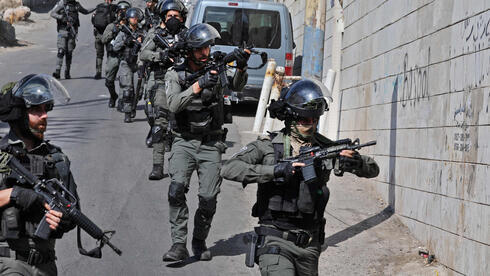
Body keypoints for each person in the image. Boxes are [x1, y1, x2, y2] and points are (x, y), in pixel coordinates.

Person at [220, 79, 380, 276]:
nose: (310, 125)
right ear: (292, 118)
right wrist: (276, 170)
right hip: (275, 238)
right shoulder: (268, 145)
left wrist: (356, 163)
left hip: (310, 244)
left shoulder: (326, 148)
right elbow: (229, 168)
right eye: (305, 120)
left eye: (314, 120)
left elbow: (373, 169)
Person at [162, 23, 250, 262]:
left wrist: (241, 66)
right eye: (201, 49)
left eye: (208, 48)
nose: (205, 53)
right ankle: (178, 244)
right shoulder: (175, 74)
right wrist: (198, 85)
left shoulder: (216, 68)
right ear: (190, 51)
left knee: (208, 198)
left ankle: (199, 240)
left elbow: (238, 85)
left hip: (211, 143)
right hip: (183, 140)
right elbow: (173, 104)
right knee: (176, 189)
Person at [0, 74, 78, 275]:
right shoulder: (1, 157)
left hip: (46, 264)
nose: (44, 116)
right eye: (36, 110)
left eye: (46, 109)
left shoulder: (56, 159)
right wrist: (15, 194)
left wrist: (62, 221)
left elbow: (72, 207)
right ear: (18, 114)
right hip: (9, 263)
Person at [139, 0, 187, 180]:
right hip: (161, 82)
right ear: (164, 18)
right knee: (159, 124)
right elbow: (143, 54)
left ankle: (177, 166)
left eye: (176, 16)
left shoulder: (187, 35)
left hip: (183, 84)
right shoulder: (156, 34)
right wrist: (161, 55)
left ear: (182, 18)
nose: (173, 19)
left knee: (178, 126)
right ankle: (157, 166)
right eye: (169, 16)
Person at [110, 7, 144, 122]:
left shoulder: (142, 32)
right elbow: (115, 47)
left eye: (136, 17)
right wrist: (126, 42)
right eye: (132, 17)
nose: (134, 19)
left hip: (139, 63)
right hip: (126, 63)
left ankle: (133, 106)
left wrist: (141, 41)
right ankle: (127, 112)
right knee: (128, 89)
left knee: (139, 91)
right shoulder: (123, 32)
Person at [50, 0, 96, 79]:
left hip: (72, 31)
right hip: (63, 30)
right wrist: (62, 17)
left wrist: (95, 8)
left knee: (69, 52)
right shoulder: (62, 3)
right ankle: (57, 71)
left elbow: (85, 11)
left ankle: (67, 72)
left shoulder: (76, 5)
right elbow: (52, 13)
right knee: (61, 50)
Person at [102, 0, 131, 108]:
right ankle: (113, 95)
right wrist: (115, 30)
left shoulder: (132, 26)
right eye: (121, 12)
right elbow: (104, 39)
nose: (122, 14)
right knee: (109, 80)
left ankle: (123, 100)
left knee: (125, 81)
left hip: (126, 56)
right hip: (113, 55)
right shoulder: (112, 26)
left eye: (125, 11)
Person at [91, 0, 118, 79]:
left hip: (98, 34)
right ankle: (108, 73)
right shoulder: (113, 8)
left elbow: (93, 20)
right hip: (108, 35)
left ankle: (98, 72)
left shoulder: (99, 7)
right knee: (109, 54)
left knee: (99, 55)